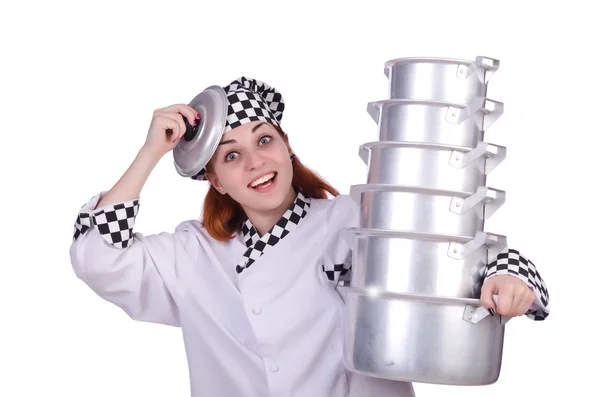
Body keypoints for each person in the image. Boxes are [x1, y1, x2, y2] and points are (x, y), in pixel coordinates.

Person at [69, 76, 550, 397]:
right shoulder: (192, 255)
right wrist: (151, 152)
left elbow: (462, 252)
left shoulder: (356, 217)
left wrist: (509, 278)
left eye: (264, 139)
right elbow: (98, 258)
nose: (256, 162)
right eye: (231, 156)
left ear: (286, 147)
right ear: (214, 180)